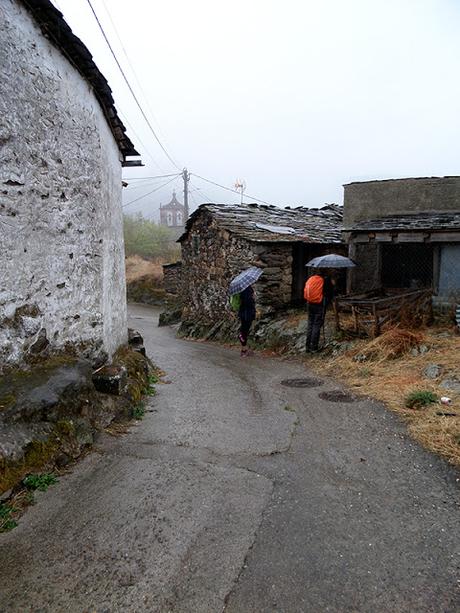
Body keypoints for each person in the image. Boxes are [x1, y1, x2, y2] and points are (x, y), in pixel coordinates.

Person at [304, 271, 335, 353]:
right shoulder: (325, 280)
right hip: (319, 305)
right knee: (317, 325)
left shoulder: (311, 278)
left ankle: (307, 346)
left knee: (310, 324)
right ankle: (314, 347)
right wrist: (332, 284)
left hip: (310, 304)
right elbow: (329, 293)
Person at [238, 285, 256, 357]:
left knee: (244, 330)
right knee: (244, 331)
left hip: (243, 312)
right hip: (247, 313)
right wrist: (253, 297)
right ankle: (244, 350)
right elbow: (247, 301)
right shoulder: (247, 288)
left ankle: (244, 349)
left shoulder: (242, 288)